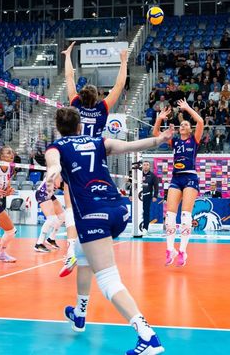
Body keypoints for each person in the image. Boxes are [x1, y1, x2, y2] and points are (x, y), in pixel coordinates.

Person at [44, 107, 171, 354]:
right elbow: (131, 146)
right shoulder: (98, 141)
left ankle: (148, 337)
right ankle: (79, 314)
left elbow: (54, 165)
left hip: (94, 216)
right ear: (80, 126)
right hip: (119, 211)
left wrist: (52, 175)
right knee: (82, 255)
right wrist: (159, 140)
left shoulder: (56, 147)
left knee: (108, 280)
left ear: (59, 128)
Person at [59, 41, 129, 277]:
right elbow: (119, 85)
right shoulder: (102, 109)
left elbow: (69, 77)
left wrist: (68, 56)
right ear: (97, 97)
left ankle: (72, 249)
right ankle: (93, 246)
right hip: (96, 160)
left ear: (80, 96)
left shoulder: (75, 106)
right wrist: (123, 61)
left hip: (73, 157)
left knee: (72, 206)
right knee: (94, 204)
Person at [154, 99, 204, 267]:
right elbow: (156, 134)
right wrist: (159, 118)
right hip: (176, 178)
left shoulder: (194, 140)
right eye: (181, 124)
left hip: (190, 177)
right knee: (169, 215)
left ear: (190, 129)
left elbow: (200, 121)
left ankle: (182, 251)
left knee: (185, 215)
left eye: (185, 125)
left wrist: (187, 108)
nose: (182, 126)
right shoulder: (174, 141)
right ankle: (170, 250)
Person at [34, 180, 65, 252]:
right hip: (42, 192)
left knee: (62, 216)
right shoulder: (59, 173)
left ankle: (51, 239)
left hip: (50, 193)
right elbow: (58, 184)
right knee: (51, 219)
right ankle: (39, 244)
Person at [140, 161, 159, 236]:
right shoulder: (138, 174)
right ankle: (137, 227)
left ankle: (145, 228)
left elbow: (156, 187)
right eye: (144, 165)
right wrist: (131, 194)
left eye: (147, 165)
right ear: (142, 166)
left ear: (149, 166)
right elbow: (133, 184)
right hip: (138, 197)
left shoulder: (153, 176)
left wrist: (155, 196)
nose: (145, 166)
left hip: (147, 196)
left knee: (146, 212)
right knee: (137, 212)